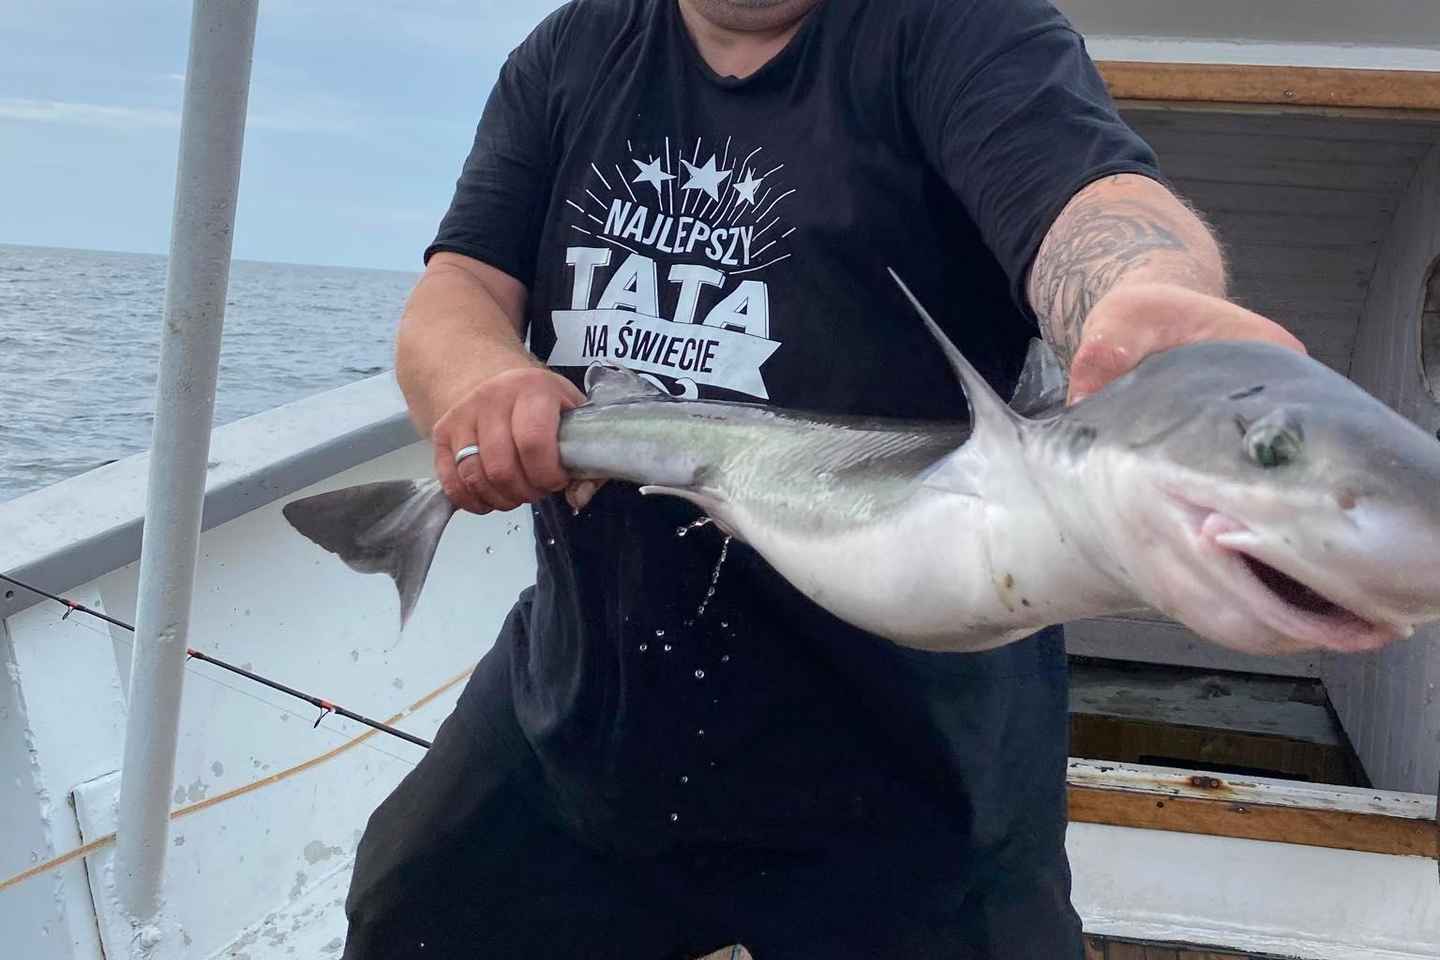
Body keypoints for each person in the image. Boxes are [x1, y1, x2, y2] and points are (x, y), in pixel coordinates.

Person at [342, 1, 1304, 957]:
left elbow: (1092, 206)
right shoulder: (570, 50)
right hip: (591, 715)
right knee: (407, 916)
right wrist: (482, 377)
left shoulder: (961, 30)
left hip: (913, 774)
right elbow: (458, 287)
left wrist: (1143, 296)